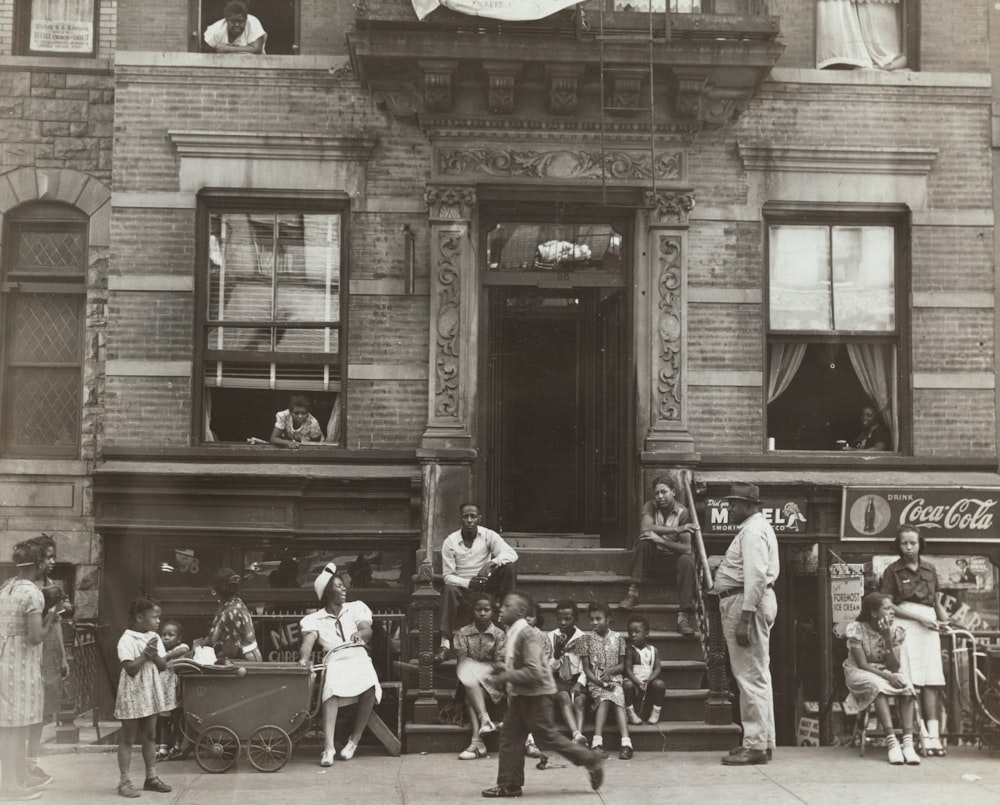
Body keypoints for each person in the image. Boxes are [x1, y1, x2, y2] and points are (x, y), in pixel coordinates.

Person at [481, 591, 604, 799]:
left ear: (520, 611)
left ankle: (590, 759)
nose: (501, 608)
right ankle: (509, 784)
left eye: (507, 605)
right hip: (522, 695)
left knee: (547, 738)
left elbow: (534, 671)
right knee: (510, 736)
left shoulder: (527, 634)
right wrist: (500, 667)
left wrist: (504, 677)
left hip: (537, 696)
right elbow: (519, 664)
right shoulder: (513, 631)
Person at [715, 481, 779, 766]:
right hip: (748, 600)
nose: (729, 508)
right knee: (758, 675)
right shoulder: (756, 529)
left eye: (734, 503)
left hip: (744, 602)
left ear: (750, 505)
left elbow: (755, 577)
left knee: (749, 677)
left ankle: (754, 746)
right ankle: (762, 742)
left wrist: (745, 616)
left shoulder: (752, 531)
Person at [298, 564, 381, 767]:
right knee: (331, 690)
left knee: (370, 686)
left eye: (344, 586)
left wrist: (359, 634)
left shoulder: (356, 608)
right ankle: (328, 748)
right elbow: (307, 643)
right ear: (327, 592)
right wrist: (304, 658)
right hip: (334, 660)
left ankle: (354, 740)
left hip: (358, 655)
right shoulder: (314, 619)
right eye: (338, 586)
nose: (344, 589)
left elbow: (367, 630)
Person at [880, 525, 949, 755]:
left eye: (913, 543)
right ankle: (913, 736)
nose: (909, 547)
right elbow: (887, 605)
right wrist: (919, 618)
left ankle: (933, 736)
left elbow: (936, 600)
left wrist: (942, 618)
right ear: (898, 545)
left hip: (929, 626)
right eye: (904, 543)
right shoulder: (892, 571)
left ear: (920, 544)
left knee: (931, 681)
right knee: (909, 681)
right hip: (907, 625)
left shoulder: (930, 569)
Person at [0, 540, 60, 802]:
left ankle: (15, 781)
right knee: (17, 730)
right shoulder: (33, 593)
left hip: (5, 661)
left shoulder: (6, 588)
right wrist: (51, 616)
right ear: (37, 564)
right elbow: (36, 637)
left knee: (9, 728)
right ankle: (11, 786)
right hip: (21, 666)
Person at [842, 592, 920, 765]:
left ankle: (908, 744)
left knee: (906, 686)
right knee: (877, 686)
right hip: (859, 672)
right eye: (887, 608)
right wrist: (889, 677)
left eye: (892, 608)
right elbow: (862, 664)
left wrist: (887, 638)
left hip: (886, 670)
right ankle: (892, 742)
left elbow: (894, 667)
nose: (892, 612)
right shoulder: (856, 629)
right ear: (874, 613)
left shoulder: (894, 631)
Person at [437, 502, 519, 662]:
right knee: (448, 589)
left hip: (486, 587)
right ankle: (444, 644)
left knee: (509, 567)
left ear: (479, 519)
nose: (469, 520)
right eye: (465, 516)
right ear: (460, 519)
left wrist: (491, 563)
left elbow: (511, 553)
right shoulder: (450, 542)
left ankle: (508, 619)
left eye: (473, 516)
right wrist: (468, 583)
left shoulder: (488, 535)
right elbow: (447, 576)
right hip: (464, 590)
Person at [619, 475, 698, 636]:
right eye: (657, 493)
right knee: (644, 544)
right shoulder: (650, 506)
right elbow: (645, 527)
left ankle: (683, 616)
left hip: (673, 565)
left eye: (664, 492)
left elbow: (686, 548)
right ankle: (632, 593)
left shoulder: (683, 513)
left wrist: (661, 541)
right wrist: (677, 530)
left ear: (673, 492)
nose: (660, 497)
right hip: (653, 564)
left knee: (687, 561)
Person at [114, 595, 172, 798]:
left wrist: (154, 655)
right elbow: (130, 668)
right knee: (128, 737)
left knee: (150, 734)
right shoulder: (127, 639)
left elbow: (163, 665)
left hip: (150, 690)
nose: (158, 621)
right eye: (154, 617)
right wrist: (145, 655)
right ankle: (125, 781)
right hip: (132, 692)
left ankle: (151, 777)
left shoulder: (153, 638)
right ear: (140, 617)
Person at [25, 533, 68, 790]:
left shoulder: (53, 584)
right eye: (48, 557)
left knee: (42, 710)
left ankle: (32, 760)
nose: (52, 561)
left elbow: (58, 623)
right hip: (31, 650)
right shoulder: (28, 589)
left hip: (49, 650)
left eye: (54, 557)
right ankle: (22, 761)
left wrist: (63, 655)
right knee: (27, 709)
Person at [453, 594, 506, 761]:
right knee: (467, 674)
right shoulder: (463, 633)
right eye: (479, 610)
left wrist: (477, 666)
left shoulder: (499, 635)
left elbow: (500, 666)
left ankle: (477, 741)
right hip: (469, 682)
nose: (482, 613)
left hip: (493, 683)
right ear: (473, 611)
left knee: (470, 692)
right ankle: (484, 722)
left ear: (493, 612)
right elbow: (461, 664)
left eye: (486, 610)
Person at [576, 602, 632, 760]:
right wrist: (599, 682)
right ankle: (597, 743)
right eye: (592, 619)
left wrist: (611, 671)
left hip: (615, 680)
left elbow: (622, 665)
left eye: (598, 619)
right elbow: (586, 669)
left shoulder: (619, 638)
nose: (594, 622)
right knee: (605, 698)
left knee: (618, 697)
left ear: (608, 619)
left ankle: (626, 743)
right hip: (595, 681)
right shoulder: (583, 640)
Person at [546, 600, 588, 746]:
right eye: (559, 619)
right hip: (559, 679)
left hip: (577, 679)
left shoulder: (582, 638)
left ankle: (579, 736)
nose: (563, 622)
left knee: (580, 700)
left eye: (567, 619)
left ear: (575, 619)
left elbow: (586, 667)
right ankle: (575, 733)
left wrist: (579, 683)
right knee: (563, 696)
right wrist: (557, 653)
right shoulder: (551, 637)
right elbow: (549, 669)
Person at [198, 568, 262, 662]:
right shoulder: (236, 603)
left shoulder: (230, 612)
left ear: (215, 589)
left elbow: (231, 650)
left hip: (245, 662)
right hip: (249, 658)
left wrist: (203, 648)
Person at [155, 619, 190, 760]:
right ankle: (164, 748)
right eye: (164, 634)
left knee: (177, 719)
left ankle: (177, 746)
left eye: (171, 634)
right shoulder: (159, 651)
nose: (166, 637)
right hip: (164, 692)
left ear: (179, 638)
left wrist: (167, 656)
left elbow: (184, 649)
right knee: (164, 721)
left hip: (176, 692)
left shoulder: (180, 648)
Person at [624, 615, 665, 725]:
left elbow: (657, 668)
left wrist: (649, 681)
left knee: (660, 684)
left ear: (646, 633)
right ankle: (630, 712)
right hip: (634, 682)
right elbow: (628, 669)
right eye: (630, 632)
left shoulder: (653, 650)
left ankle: (656, 711)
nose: (633, 635)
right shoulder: (630, 651)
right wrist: (637, 683)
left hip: (649, 683)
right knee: (627, 685)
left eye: (637, 632)